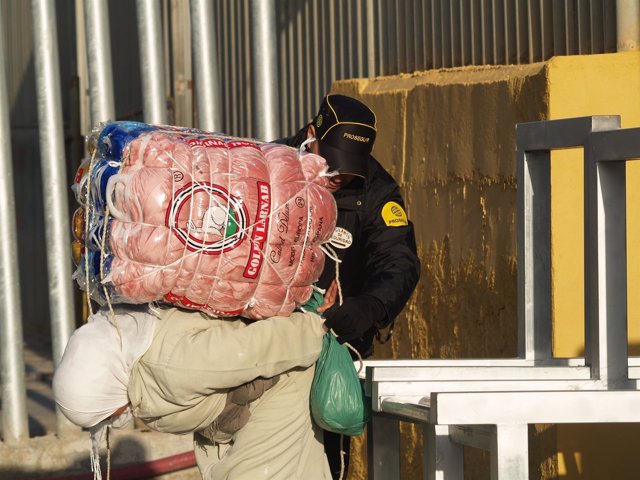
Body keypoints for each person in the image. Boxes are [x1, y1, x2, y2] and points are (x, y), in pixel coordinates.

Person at [277, 94, 421, 479]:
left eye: (349, 169)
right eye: (332, 163)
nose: (339, 176)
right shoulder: (272, 167)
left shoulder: (377, 191)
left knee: (325, 460)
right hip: (267, 341)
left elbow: (399, 261)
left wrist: (370, 307)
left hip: (333, 350)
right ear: (312, 135)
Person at [52, 305, 332, 479]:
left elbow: (263, 346)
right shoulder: (137, 376)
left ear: (106, 391)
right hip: (234, 412)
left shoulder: (173, 367)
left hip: (278, 386)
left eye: (106, 415)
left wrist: (324, 325)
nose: (111, 422)